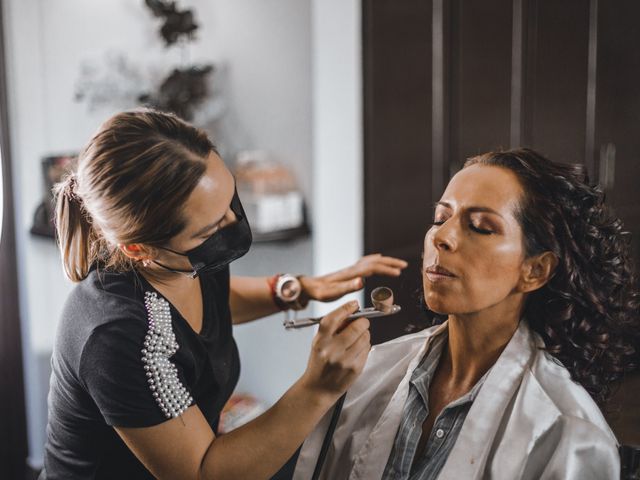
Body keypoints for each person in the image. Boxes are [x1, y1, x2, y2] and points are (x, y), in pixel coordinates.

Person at [40, 108, 408, 479]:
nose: (232, 226)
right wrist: (318, 387)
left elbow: (206, 302)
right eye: (210, 229)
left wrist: (291, 290)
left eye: (230, 201)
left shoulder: (184, 264)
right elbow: (203, 472)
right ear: (140, 249)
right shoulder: (116, 336)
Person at [294, 148, 640, 479]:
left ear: (534, 270)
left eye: (480, 227)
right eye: (440, 218)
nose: (441, 237)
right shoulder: (367, 373)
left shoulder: (567, 432)